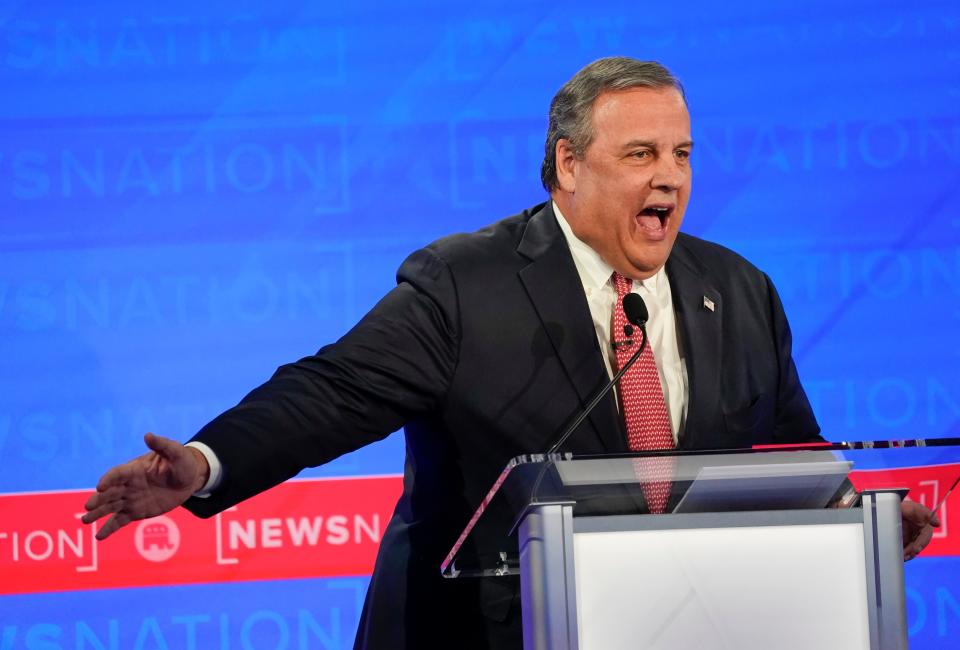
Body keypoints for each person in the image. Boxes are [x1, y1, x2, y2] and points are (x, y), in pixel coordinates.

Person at [81, 57, 938, 649]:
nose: (669, 178)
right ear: (567, 165)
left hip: (684, 623)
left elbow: (788, 452)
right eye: (639, 154)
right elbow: (336, 389)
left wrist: (852, 522)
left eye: (681, 154)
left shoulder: (738, 289)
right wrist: (206, 460)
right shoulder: (467, 283)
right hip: (487, 629)